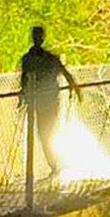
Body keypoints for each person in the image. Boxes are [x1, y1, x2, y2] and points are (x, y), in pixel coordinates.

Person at [17, 25, 83, 181]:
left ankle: (55, 164)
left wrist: (76, 89)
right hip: (39, 101)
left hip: (48, 101)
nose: (37, 38)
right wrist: (22, 95)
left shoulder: (45, 59)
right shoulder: (31, 59)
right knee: (43, 134)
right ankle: (54, 164)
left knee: (46, 133)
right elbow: (24, 79)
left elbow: (65, 73)